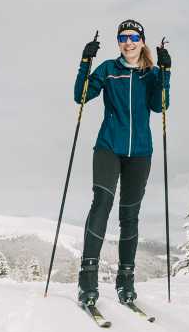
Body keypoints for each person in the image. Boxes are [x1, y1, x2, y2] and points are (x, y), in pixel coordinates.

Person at [73, 20, 171, 307]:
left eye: (133, 37)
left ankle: (125, 281)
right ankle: (87, 281)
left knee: (130, 215)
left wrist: (166, 73)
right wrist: (85, 61)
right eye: (123, 38)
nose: (128, 43)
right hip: (108, 147)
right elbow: (81, 95)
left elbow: (160, 105)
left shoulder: (151, 74)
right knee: (101, 205)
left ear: (142, 41)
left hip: (140, 152)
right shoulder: (108, 69)